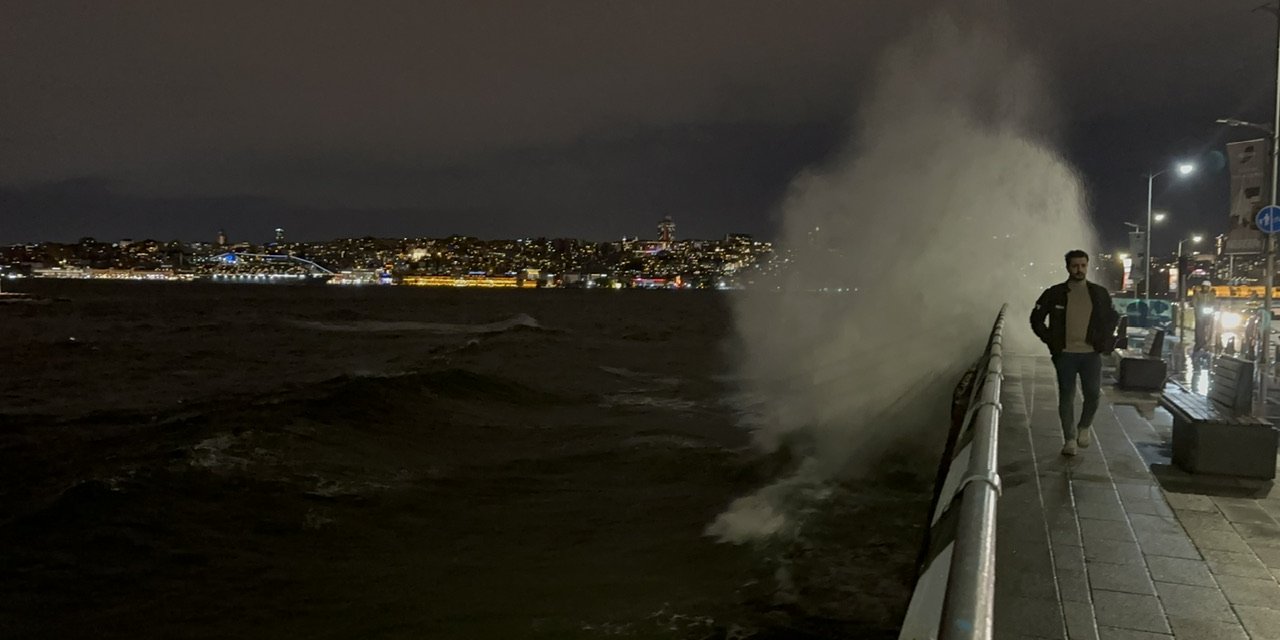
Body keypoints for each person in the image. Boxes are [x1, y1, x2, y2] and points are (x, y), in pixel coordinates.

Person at [1029, 250, 1120, 456]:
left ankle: (1084, 427)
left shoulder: (1098, 293)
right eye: (1075, 266)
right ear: (1068, 267)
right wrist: (1050, 339)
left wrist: (1104, 339)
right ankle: (1069, 439)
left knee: (1093, 394)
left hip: (1091, 354)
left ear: (1087, 266)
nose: (1079, 270)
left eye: (1083, 265)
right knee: (1067, 396)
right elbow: (1036, 318)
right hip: (1065, 354)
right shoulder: (1055, 293)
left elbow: (1111, 316)